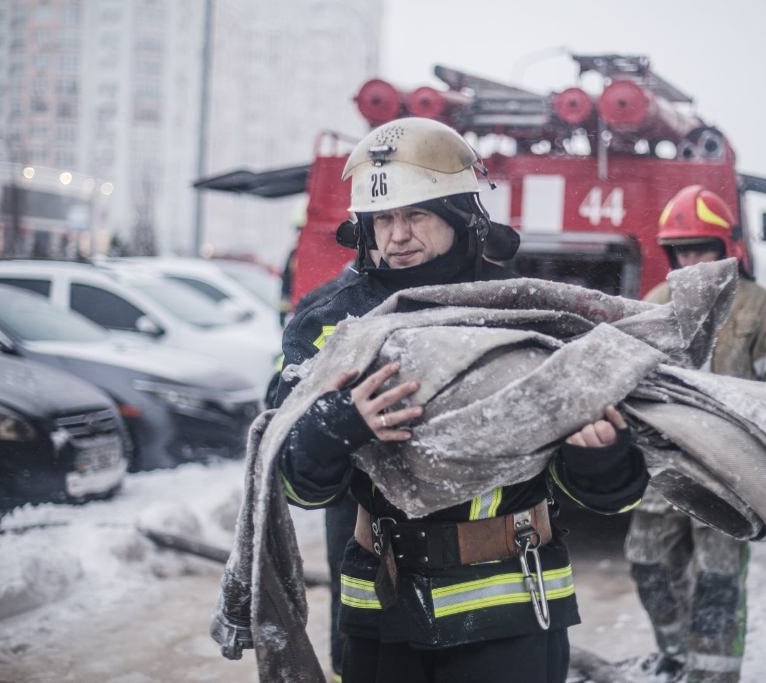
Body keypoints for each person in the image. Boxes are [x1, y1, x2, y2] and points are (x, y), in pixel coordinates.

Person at [274, 117, 649, 683]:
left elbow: (612, 498)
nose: (396, 236)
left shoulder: (524, 311)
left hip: (512, 609)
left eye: (415, 214)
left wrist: (600, 454)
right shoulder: (329, 323)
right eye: (381, 220)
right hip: (383, 611)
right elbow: (292, 482)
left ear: (461, 217)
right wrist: (337, 422)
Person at [624, 185, 766, 682]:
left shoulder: (762, 308)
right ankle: (676, 653)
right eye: (683, 250)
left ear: (724, 249)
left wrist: (760, 439)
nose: (692, 259)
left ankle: (715, 674)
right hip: (666, 464)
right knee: (647, 562)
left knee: (718, 578)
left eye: (701, 248)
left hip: (731, 469)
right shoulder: (657, 302)